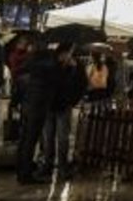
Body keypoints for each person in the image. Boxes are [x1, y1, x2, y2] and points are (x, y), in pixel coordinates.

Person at [39, 43, 84, 179]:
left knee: (63, 138)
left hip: (64, 106)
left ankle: (63, 167)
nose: (66, 56)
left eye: (68, 53)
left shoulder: (76, 66)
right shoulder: (51, 64)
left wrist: (74, 70)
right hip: (49, 106)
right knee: (48, 138)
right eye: (64, 53)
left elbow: (80, 85)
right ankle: (47, 165)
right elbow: (45, 82)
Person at [15, 43, 58, 184]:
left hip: (27, 104)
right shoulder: (48, 66)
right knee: (31, 140)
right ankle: (25, 174)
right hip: (38, 107)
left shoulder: (30, 65)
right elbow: (54, 83)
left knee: (24, 139)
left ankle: (20, 170)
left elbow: (20, 82)